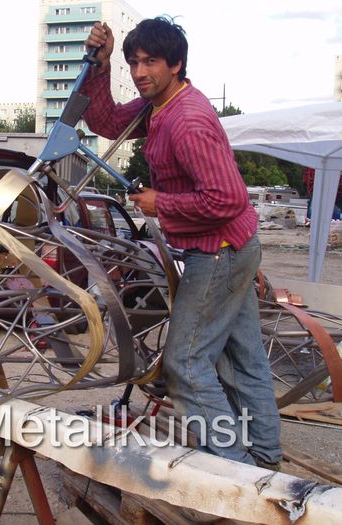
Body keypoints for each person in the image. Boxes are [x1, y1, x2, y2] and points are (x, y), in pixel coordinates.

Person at [82, 16, 281, 469]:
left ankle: (233, 472)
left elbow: (227, 199)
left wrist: (161, 203)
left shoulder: (186, 120)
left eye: (150, 62)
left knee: (186, 366)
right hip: (231, 246)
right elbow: (108, 121)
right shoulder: (159, 106)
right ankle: (265, 458)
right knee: (241, 359)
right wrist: (101, 63)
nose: (139, 72)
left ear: (176, 64)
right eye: (133, 62)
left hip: (220, 250)